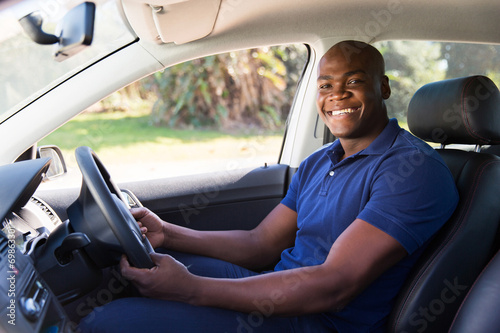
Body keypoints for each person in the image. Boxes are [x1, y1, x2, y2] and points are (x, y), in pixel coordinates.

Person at [78, 40, 459, 332]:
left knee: (109, 321)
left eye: (354, 82)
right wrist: (168, 234)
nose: (336, 96)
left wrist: (189, 288)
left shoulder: (412, 170)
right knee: (131, 272)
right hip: (276, 287)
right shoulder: (319, 162)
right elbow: (260, 244)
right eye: (326, 85)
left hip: (319, 320)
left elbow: (334, 285)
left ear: (385, 88)